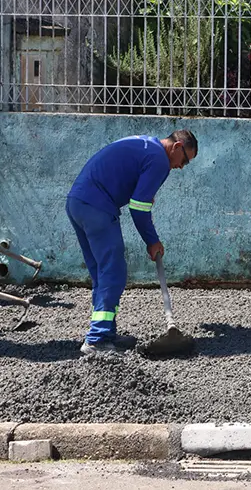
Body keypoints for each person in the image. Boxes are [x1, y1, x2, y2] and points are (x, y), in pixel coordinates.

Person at [66, 129, 198, 356]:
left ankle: (105, 333)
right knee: (113, 272)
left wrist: (141, 193)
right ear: (176, 148)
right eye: (185, 160)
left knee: (101, 273)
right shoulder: (160, 160)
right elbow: (138, 207)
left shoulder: (147, 145)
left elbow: (130, 183)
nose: (181, 167)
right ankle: (96, 340)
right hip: (97, 207)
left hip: (78, 203)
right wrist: (152, 241)